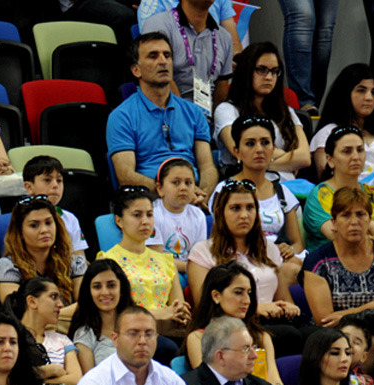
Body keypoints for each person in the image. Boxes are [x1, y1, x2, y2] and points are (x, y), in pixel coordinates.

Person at [188, 187, 301, 361]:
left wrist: (288, 308)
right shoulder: (203, 252)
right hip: (227, 326)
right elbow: (206, 306)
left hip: (271, 322)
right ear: (220, 212)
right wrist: (257, 308)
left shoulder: (269, 249)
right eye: (235, 208)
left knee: (318, 338)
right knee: (289, 335)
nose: (244, 215)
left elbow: (284, 299)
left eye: (250, 208)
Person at [108, 33, 218, 200]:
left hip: (194, 198)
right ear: (136, 70)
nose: (163, 61)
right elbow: (125, 175)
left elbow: (207, 166)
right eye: (153, 56)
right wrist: (172, 193)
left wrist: (202, 194)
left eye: (167, 55)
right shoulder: (122, 116)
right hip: (150, 200)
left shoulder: (194, 113)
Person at [301, 186, 374, 329]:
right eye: (345, 215)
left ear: (369, 219)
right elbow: (325, 320)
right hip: (336, 335)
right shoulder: (317, 262)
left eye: (360, 214)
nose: (354, 222)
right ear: (334, 222)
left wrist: (350, 314)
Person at [223, 116, 306, 285]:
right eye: (250, 144)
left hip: (278, 260)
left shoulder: (283, 191)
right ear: (237, 151)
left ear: (273, 148)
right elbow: (219, 238)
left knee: (297, 268)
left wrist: (289, 250)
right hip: (238, 260)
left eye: (265, 143)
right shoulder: (224, 190)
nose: (259, 149)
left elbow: (297, 243)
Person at [184, 261, 287, 385]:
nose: (247, 300)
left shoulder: (261, 336)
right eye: (238, 292)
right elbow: (208, 383)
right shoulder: (197, 338)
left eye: (249, 293)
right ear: (216, 296)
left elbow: (275, 379)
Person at [304, 129, 374, 254]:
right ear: (330, 160)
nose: (356, 157)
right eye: (347, 151)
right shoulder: (321, 195)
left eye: (360, 150)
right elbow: (341, 237)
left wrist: (354, 225)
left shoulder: (373, 193)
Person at [100, 187, 192, 330]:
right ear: (119, 221)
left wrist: (178, 311)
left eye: (149, 215)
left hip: (167, 332)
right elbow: (112, 311)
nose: (145, 221)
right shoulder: (108, 262)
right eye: (137, 215)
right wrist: (159, 313)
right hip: (129, 333)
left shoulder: (166, 261)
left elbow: (177, 307)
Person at [214, 44, 309, 178]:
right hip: (245, 188)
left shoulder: (286, 111)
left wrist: (262, 162)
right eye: (261, 70)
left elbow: (304, 158)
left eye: (274, 71)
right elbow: (241, 152)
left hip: (288, 188)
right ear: (246, 71)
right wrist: (287, 160)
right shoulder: (226, 110)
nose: (269, 77)